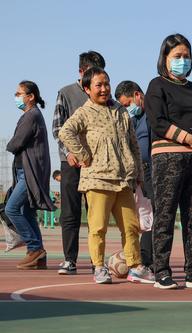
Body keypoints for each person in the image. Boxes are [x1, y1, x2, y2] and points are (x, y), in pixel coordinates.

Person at [59, 67, 154, 285]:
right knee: (98, 227)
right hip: (97, 180)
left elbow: (133, 145)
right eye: (98, 85)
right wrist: (83, 155)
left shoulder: (121, 111)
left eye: (107, 84)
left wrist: (137, 172)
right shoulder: (84, 112)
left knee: (131, 226)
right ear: (87, 89)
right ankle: (99, 267)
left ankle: (135, 267)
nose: (104, 89)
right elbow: (65, 132)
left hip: (123, 180)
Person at [144, 33, 192, 290]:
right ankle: (162, 271)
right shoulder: (157, 86)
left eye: (186, 56)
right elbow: (157, 122)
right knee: (165, 216)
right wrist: (188, 138)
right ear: (165, 58)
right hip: (167, 159)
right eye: (177, 56)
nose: (183, 60)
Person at [52, 50, 106, 275]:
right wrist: (70, 152)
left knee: (96, 213)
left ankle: (97, 262)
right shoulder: (65, 93)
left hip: (96, 165)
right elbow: (57, 128)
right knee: (70, 213)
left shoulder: (104, 97)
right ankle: (69, 259)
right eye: (90, 73)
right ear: (81, 72)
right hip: (71, 163)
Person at [6, 80, 56, 269]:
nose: (16, 97)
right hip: (23, 171)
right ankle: (38, 255)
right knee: (26, 211)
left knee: (11, 209)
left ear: (31, 96)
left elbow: (16, 143)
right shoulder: (31, 115)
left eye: (19, 93)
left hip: (29, 172)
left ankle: (34, 248)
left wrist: (9, 145)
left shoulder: (32, 115)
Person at [115, 80, 154, 270]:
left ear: (137, 95)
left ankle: (147, 260)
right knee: (140, 217)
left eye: (127, 104)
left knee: (152, 217)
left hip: (155, 170)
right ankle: (141, 257)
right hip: (139, 174)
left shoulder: (155, 113)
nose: (126, 109)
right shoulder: (134, 119)